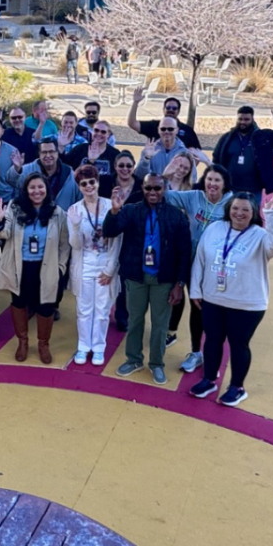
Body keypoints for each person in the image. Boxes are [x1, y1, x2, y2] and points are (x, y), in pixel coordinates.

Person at [188, 191, 273, 406]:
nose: (239, 213)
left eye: (245, 210)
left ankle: (237, 387)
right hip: (213, 299)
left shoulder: (261, 236)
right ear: (228, 209)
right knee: (212, 340)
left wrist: (272, 213)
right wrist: (195, 290)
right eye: (235, 208)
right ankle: (209, 379)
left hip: (247, 303)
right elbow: (200, 260)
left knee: (238, 344)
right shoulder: (215, 229)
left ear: (253, 213)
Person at [103, 173, 192, 385]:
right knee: (135, 321)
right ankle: (134, 360)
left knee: (160, 325)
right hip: (136, 276)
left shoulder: (176, 216)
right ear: (142, 189)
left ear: (165, 189)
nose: (153, 192)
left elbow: (184, 252)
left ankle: (157, 364)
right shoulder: (131, 210)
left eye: (157, 189)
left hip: (164, 279)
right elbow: (110, 231)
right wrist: (114, 211)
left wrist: (179, 284)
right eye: (148, 188)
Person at [0, 173, 70, 363]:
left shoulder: (57, 212)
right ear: (26, 190)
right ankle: (23, 342)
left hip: (47, 267)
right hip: (20, 267)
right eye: (32, 187)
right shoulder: (14, 207)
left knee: (46, 307)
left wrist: (60, 268)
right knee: (19, 304)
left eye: (40, 187)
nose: (36, 191)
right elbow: (2, 234)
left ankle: (43, 344)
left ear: (47, 189)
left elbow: (64, 244)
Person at [165, 164, 233, 373]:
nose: (211, 184)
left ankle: (201, 353)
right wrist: (167, 175)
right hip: (188, 259)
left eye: (216, 180)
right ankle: (174, 335)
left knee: (201, 309)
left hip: (212, 267)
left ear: (224, 184)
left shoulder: (231, 203)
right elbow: (165, 195)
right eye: (209, 179)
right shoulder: (194, 196)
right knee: (176, 296)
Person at [66, 166, 121, 366]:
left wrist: (110, 269)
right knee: (84, 309)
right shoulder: (74, 210)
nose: (88, 186)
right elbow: (76, 245)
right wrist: (75, 225)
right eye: (84, 183)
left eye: (91, 182)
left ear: (97, 182)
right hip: (84, 265)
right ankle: (83, 346)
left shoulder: (110, 206)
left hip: (106, 263)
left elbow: (117, 241)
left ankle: (99, 347)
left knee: (103, 309)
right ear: (79, 187)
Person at [212, 105, 273, 205]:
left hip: (254, 189)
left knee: (252, 217)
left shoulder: (262, 136)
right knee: (228, 216)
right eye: (240, 119)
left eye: (246, 119)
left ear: (252, 119)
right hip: (230, 187)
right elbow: (216, 158)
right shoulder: (227, 138)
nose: (243, 122)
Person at [109, 150, 144, 333]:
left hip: (132, 236)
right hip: (110, 233)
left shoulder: (141, 186)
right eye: (121, 165)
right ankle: (103, 310)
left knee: (125, 278)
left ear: (134, 167)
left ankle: (122, 315)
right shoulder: (106, 182)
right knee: (107, 274)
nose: (125, 169)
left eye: (129, 165)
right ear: (115, 166)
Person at [6, 138, 79, 210]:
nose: (48, 155)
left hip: (63, 219)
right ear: (39, 154)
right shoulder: (27, 170)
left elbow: (80, 199)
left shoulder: (71, 175)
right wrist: (16, 169)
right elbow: (11, 181)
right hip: (33, 218)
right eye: (44, 152)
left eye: (51, 151)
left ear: (57, 153)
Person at [127, 91, 201, 149]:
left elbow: (197, 153)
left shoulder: (187, 130)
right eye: (168, 107)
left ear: (178, 111)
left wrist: (186, 167)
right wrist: (135, 103)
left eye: (174, 108)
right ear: (163, 109)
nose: (171, 110)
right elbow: (132, 123)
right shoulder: (154, 126)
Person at [64, 120, 120, 187]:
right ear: (92, 131)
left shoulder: (114, 154)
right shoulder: (80, 149)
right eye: (96, 130)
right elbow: (64, 165)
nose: (99, 133)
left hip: (104, 193)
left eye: (103, 132)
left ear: (109, 134)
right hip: (81, 191)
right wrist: (61, 147)